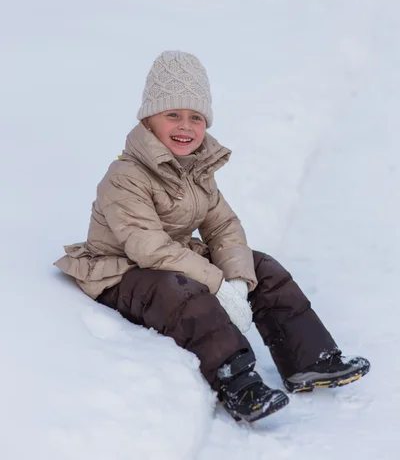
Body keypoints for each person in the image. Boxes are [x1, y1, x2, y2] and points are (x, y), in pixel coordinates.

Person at [54, 50, 370, 423]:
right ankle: (237, 382)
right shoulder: (125, 176)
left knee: (261, 266)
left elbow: (223, 226)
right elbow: (147, 247)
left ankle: (310, 360)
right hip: (120, 272)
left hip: (169, 263)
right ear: (149, 120)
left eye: (195, 117)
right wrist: (217, 284)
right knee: (184, 292)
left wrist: (236, 278)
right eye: (173, 114)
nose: (185, 126)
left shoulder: (197, 170)